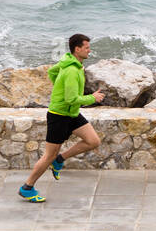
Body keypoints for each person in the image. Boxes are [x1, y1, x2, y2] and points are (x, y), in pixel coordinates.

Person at [18, 33, 105, 202]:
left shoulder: (71, 63)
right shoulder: (72, 70)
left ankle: (60, 159)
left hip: (71, 114)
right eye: (87, 47)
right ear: (77, 49)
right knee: (48, 155)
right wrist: (92, 98)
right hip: (59, 116)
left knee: (93, 141)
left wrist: (59, 85)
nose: (90, 50)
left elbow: (52, 71)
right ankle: (27, 187)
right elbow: (71, 99)